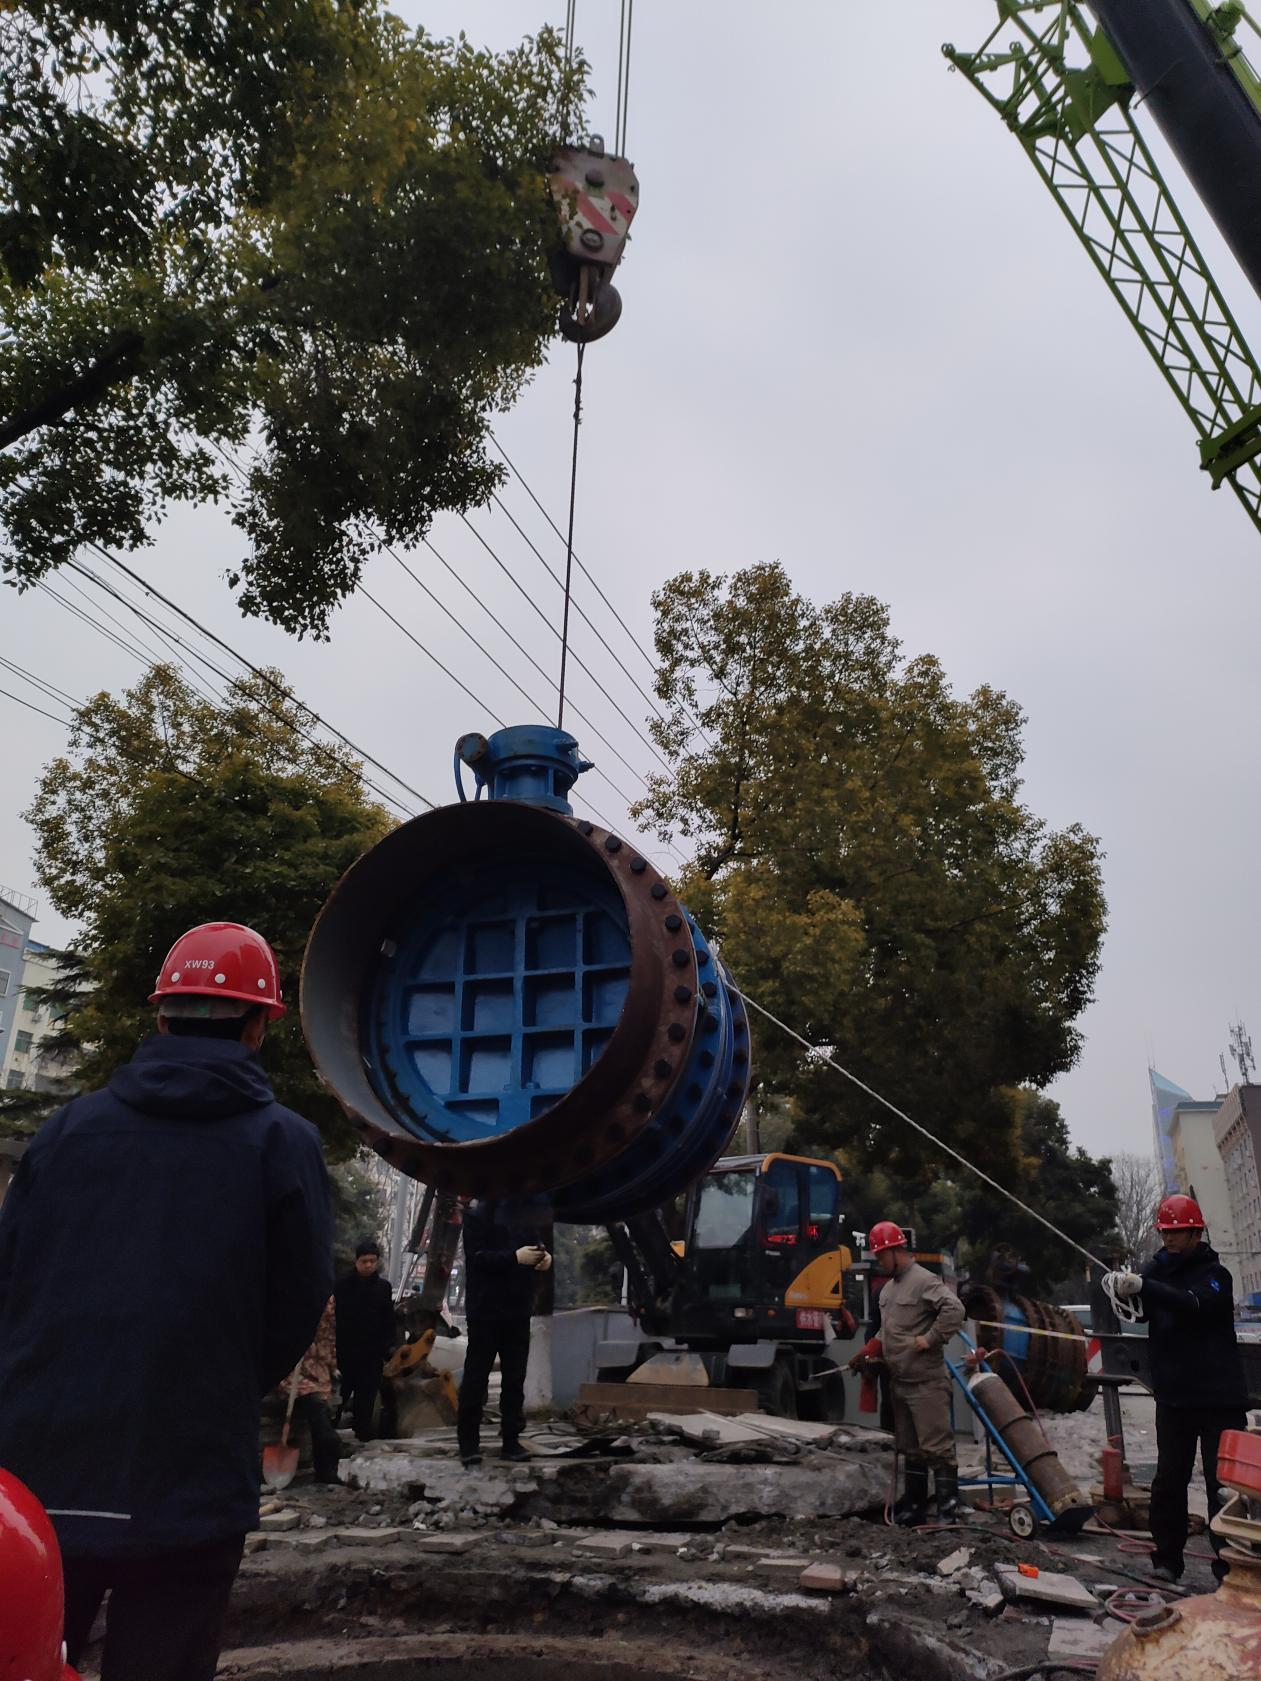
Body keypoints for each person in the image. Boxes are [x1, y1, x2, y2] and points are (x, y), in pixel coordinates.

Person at [0, 921, 332, 1681]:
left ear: (160, 1017)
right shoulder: (284, 1144)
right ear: (259, 1026)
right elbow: (297, 1301)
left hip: (41, 1475)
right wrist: (220, 1380)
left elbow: (10, 1279)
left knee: (27, 1658)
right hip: (191, 1474)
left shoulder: (66, 1130)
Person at [1104, 1193, 1248, 1585]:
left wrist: (1145, 1286)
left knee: (1222, 1486)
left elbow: (1192, 1304)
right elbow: (1142, 1310)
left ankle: (1230, 1567)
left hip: (1219, 1399)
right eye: (1165, 1231)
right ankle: (1167, 1560)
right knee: (1169, 1481)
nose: (1168, 1238)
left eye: (1177, 1232)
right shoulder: (1157, 1270)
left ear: (1195, 1233)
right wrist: (1125, 1289)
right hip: (1174, 1398)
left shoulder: (1216, 1275)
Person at [851, 1220, 965, 1524]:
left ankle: (948, 1509)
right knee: (911, 1449)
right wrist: (868, 1353)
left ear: (895, 1251)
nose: (879, 1262)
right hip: (900, 1382)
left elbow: (955, 1310)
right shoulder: (887, 1291)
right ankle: (915, 1507)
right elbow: (888, 1332)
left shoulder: (924, 1280)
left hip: (926, 1382)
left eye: (880, 1256)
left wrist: (930, 1338)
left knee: (937, 1447)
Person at [457, 1199, 551, 1468]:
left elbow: (535, 1244)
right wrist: (513, 1258)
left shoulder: (523, 1214)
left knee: (514, 1379)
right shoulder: (477, 1215)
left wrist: (543, 1257)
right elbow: (477, 1258)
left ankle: (511, 1440)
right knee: (476, 1378)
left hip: (518, 1309)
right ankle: (468, 1443)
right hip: (485, 1311)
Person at [334, 1239, 397, 1441]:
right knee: (337, 1402)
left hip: (371, 1358)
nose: (369, 1265)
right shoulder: (342, 1286)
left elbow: (388, 1320)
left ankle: (362, 1442)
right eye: (364, 1261)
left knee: (365, 1405)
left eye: (372, 1261)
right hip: (345, 1355)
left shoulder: (383, 1288)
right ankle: (327, 1441)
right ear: (356, 1262)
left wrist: (388, 1347)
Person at [281, 1296, 342, 1483]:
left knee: (323, 1408)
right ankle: (327, 1460)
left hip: (318, 1368)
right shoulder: (291, 1296)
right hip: (292, 1369)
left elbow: (329, 1337)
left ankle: (325, 1469)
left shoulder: (328, 1301)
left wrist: (332, 1365)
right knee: (317, 1409)